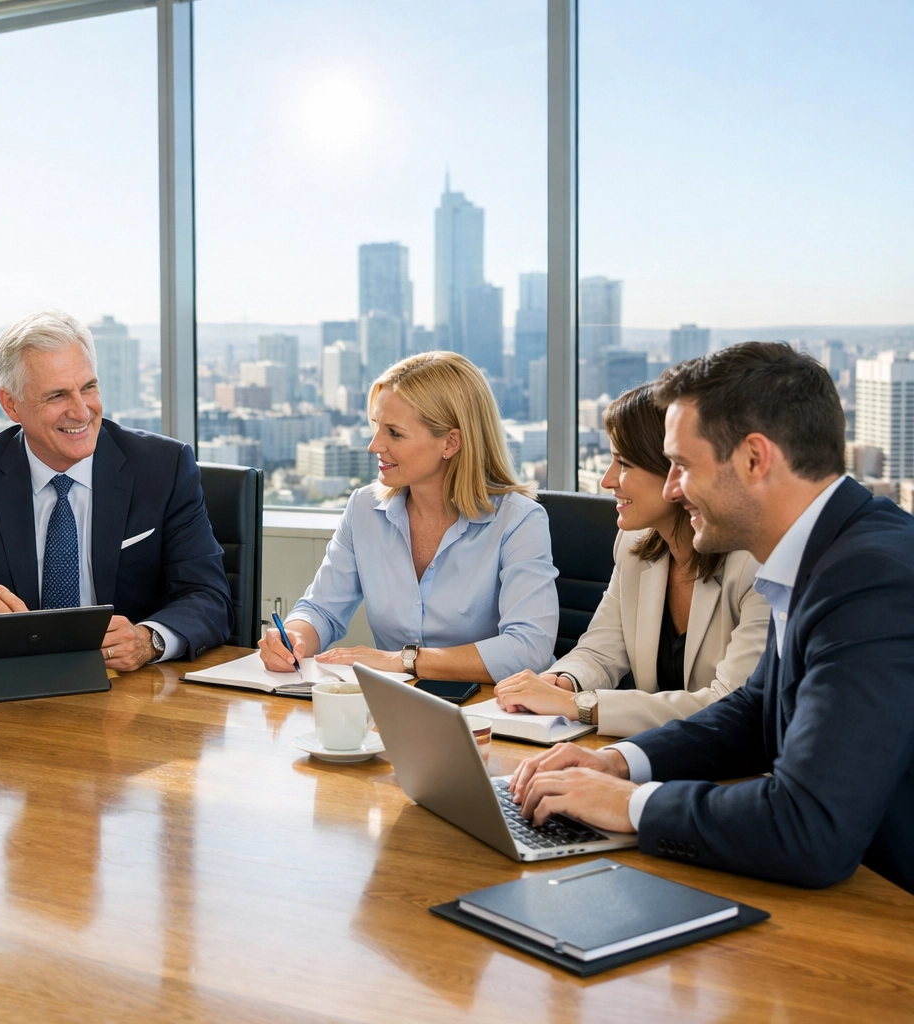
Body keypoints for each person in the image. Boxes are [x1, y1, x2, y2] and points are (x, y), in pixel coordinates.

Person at [511, 342, 914, 893]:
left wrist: (632, 805)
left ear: (754, 458)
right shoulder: (821, 552)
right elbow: (754, 710)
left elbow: (809, 828)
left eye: (681, 465)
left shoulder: (872, 580)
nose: (673, 487)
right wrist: (620, 763)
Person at [0, 309, 232, 671]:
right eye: (57, 395)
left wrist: (150, 639)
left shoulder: (163, 468)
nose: (81, 411)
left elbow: (210, 596)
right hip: (13, 690)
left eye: (89, 387)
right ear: (11, 404)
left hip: (132, 692)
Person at [259, 350, 558, 683]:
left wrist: (403, 660)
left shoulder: (519, 521)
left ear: (451, 442)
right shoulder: (364, 509)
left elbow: (528, 648)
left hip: (493, 711)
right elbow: (321, 609)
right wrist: (295, 636)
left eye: (394, 433)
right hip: (392, 708)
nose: (374, 445)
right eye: (376, 427)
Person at [494, 384, 771, 736]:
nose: (608, 480)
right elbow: (600, 650)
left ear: (676, 469)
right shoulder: (635, 542)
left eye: (623, 463)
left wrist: (582, 706)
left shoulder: (755, 563)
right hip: (657, 754)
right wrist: (559, 683)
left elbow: (729, 704)